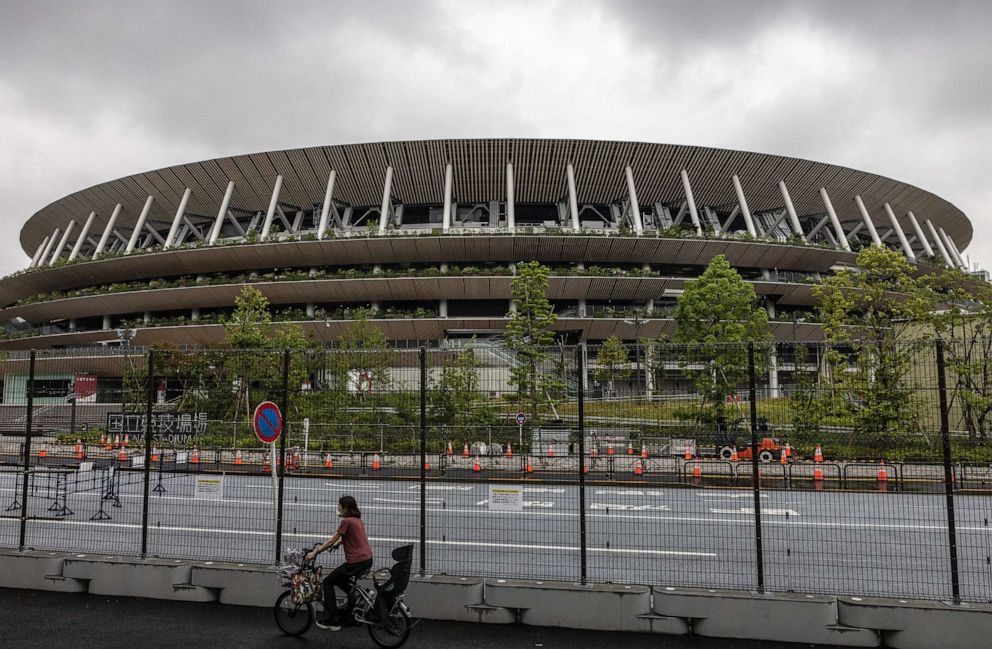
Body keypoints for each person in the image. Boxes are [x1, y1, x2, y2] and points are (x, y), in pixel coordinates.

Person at [306, 495, 374, 630]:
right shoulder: (357, 520)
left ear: (346, 508)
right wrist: (338, 544)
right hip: (367, 559)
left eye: (340, 506)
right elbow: (348, 537)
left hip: (356, 561)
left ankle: (333, 619)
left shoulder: (346, 521)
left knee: (328, 582)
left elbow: (331, 540)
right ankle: (354, 602)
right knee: (342, 580)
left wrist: (316, 552)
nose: (338, 508)